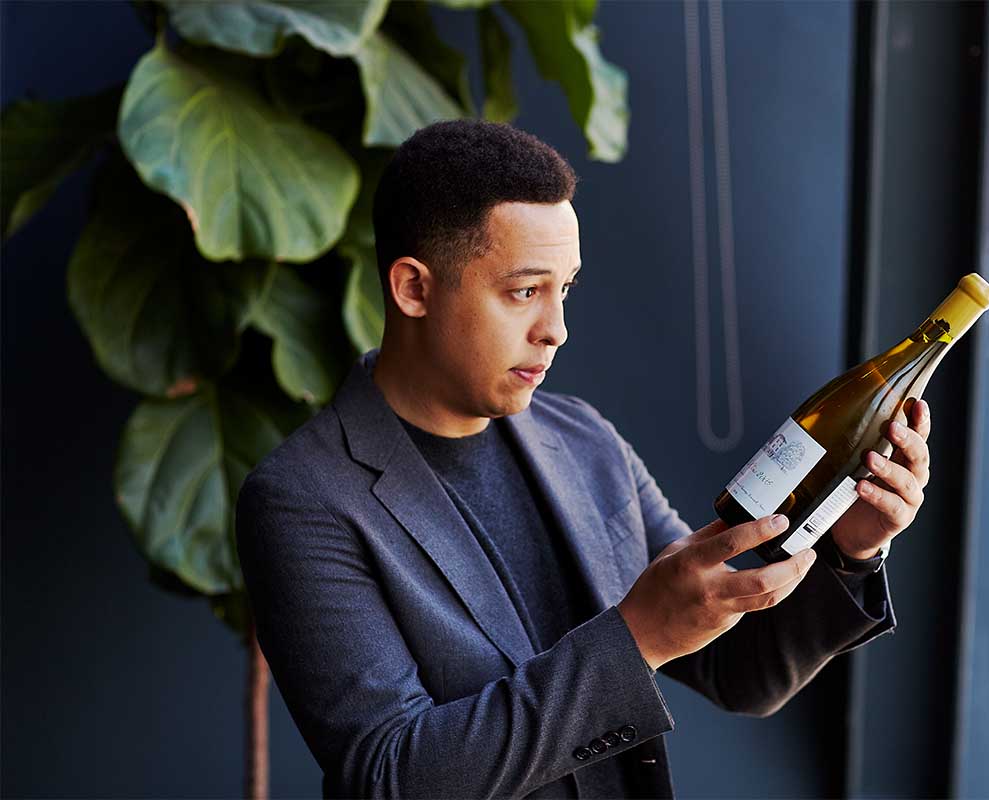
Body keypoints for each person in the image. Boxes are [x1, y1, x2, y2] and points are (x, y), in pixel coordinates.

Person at [235, 120, 933, 799]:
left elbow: (738, 673)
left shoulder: (582, 439)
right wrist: (636, 640)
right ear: (414, 288)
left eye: (564, 289)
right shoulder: (304, 498)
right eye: (524, 291)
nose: (557, 330)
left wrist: (847, 547)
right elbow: (389, 777)